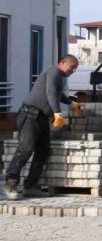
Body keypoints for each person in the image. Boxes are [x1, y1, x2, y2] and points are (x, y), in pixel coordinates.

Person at [4, 55, 81, 199]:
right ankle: (11, 184)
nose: (73, 70)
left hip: (42, 118)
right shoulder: (53, 72)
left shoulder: (59, 77)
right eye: (72, 66)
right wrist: (58, 113)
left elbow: (59, 94)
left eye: (75, 68)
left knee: (43, 152)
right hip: (30, 116)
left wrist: (71, 103)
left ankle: (30, 186)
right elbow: (51, 92)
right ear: (63, 63)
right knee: (25, 149)